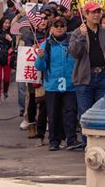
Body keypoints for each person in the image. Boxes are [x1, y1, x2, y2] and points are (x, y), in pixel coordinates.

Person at [69, 1, 105, 147]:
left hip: (103, 78)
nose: (96, 15)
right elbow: (75, 53)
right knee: (85, 113)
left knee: (102, 112)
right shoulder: (77, 32)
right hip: (84, 78)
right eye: (93, 12)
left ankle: (100, 143)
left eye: (98, 12)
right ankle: (88, 144)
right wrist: (81, 36)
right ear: (85, 14)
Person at [34, 16, 81, 151]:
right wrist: (40, 57)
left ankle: (71, 139)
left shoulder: (72, 42)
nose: (59, 28)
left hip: (70, 84)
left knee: (70, 112)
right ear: (52, 28)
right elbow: (39, 67)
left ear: (66, 27)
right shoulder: (46, 44)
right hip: (53, 85)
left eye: (62, 25)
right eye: (56, 25)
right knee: (53, 114)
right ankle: (54, 141)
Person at [0, 17, 15, 103]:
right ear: (1, 23)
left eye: (8, 23)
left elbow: (14, 46)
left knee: (6, 79)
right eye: (5, 23)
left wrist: (10, 40)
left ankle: (5, 90)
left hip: (7, 58)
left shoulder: (11, 33)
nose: (7, 25)